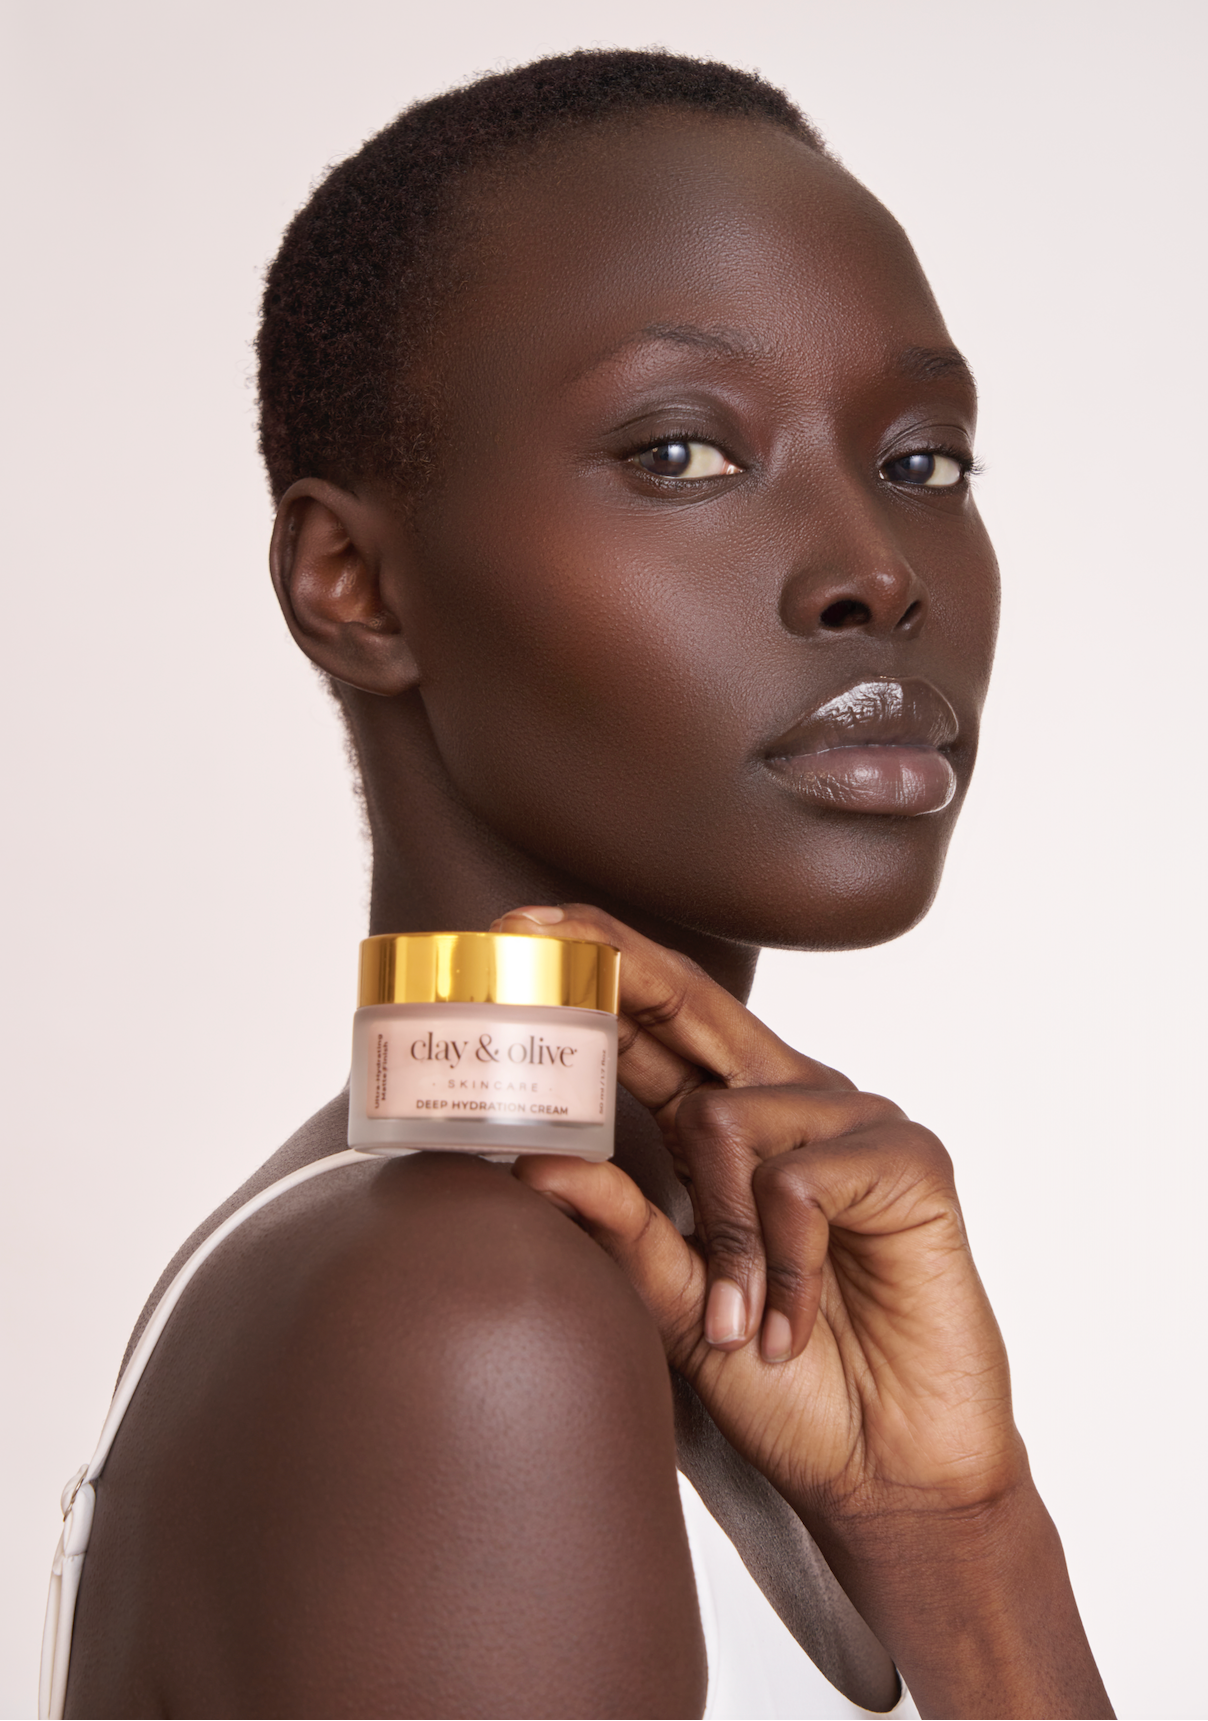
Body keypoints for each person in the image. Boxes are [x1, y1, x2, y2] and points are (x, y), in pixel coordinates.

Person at [55, 48, 1113, 1720]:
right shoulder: (474, 1315)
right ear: (354, 585)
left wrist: (969, 1545)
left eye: (922, 461)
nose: (876, 573)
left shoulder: (630, 1291)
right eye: (683, 454)